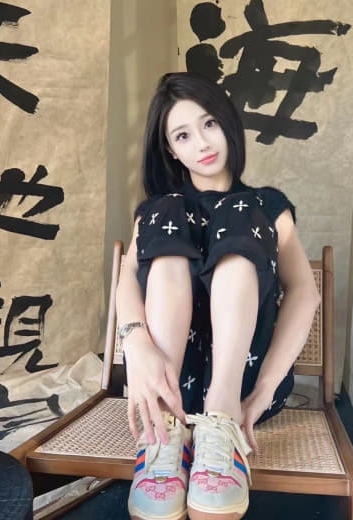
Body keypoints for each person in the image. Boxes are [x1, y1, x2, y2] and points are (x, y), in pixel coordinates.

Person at [115, 72, 320, 520]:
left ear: (227, 122)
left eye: (209, 124)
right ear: (171, 149)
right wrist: (136, 343)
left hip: (243, 388)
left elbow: (305, 292)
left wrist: (263, 390)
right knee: (165, 208)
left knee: (241, 212)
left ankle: (220, 422)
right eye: (183, 135)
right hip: (167, 383)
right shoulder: (159, 211)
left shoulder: (266, 205)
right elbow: (127, 276)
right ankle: (165, 434)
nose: (202, 143)